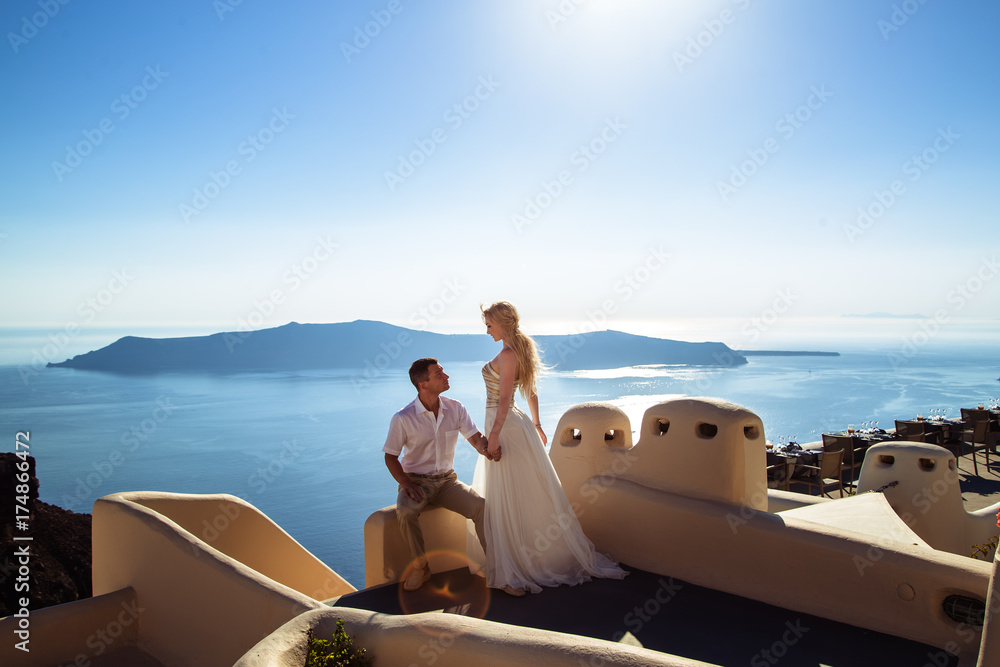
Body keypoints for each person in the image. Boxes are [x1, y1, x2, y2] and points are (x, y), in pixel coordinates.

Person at [471, 301, 627, 594]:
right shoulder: (521, 349)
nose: (487, 329)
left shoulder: (507, 353)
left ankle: (520, 562)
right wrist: (538, 424)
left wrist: (493, 435)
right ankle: (531, 555)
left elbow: (505, 400)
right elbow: (530, 390)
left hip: (505, 426)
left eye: (489, 324)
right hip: (518, 426)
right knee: (528, 492)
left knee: (512, 493)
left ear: (502, 323)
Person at [383, 358, 496, 592]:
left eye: (443, 372)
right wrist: (405, 483)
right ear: (423, 384)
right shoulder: (403, 418)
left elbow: (475, 438)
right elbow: (390, 457)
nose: (446, 377)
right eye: (439, 374)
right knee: (405, 512)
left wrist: (490, 449)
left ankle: (495, 567)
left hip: (446, 482)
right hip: (415, 482)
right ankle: (421, 568)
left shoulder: (455, 407)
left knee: (480, 507)